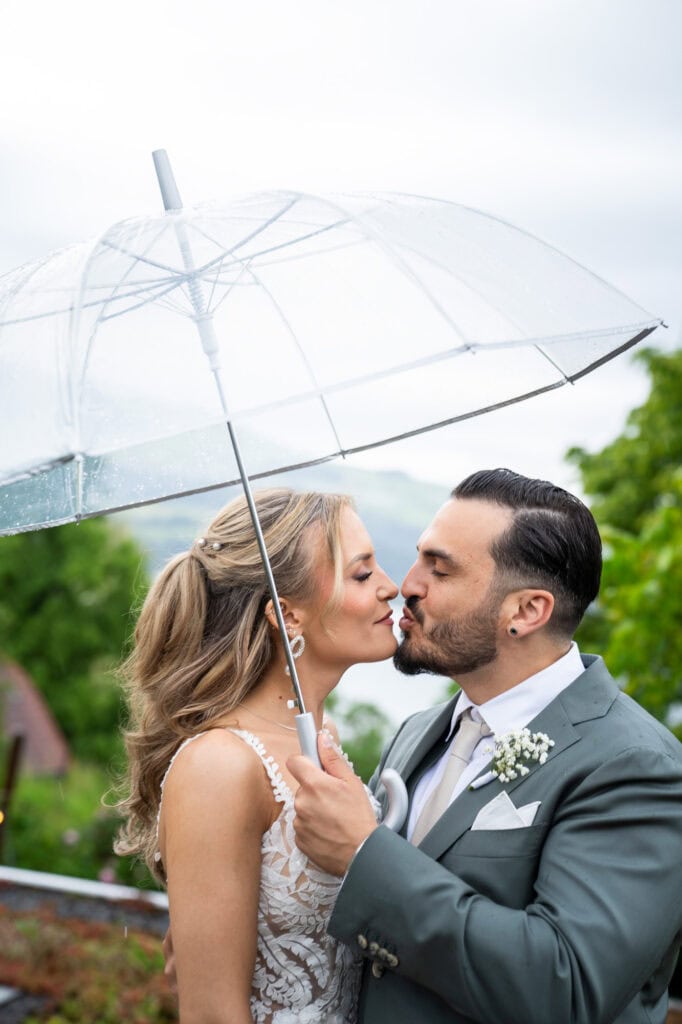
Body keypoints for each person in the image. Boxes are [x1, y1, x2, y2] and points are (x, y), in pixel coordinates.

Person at [289, 468, 682, 1024]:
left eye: (440, 569)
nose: (407, 585)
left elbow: (564, 988)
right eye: (420, 558)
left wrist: (362, 854)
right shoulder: (416, 734)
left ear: (526, 611)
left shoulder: (638, 766)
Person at [115, 487, 399, 1024]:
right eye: (362, 575)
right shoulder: (220, 765)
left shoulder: (325, 738)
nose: (390, 587)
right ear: (287, 615)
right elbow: (212, 1014)